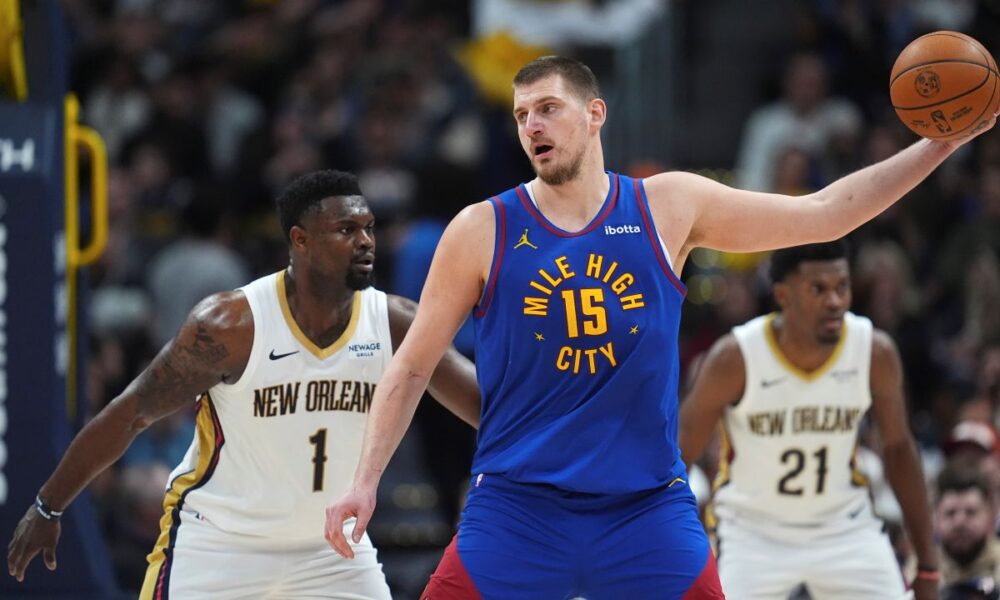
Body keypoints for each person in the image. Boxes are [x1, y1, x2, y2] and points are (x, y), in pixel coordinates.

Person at [325, 55, 997, 598]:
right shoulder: (482, 227)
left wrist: (938, 146)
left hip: (644, 508)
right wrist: (364, 479)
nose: (533, 125)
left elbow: (824, 213)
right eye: (522, 115)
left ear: (595, 115)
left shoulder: (667, 205)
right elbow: (412, 365)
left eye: (548, 108)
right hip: (517, 507)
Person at [7, 170, 481, 599]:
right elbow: (132, 412)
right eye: (346, 230)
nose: (365, 242)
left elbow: (486, 405)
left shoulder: (395, 323)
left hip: (331, 552)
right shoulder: (233, 325)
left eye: (369, 228)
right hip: (218, 545)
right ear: (300, 241)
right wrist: (48, 506)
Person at [678, 240, 937, 599]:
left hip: (843, 528)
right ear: (783, 295)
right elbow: (677, 459)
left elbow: (898, 449)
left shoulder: (873, 351)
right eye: (818, 289)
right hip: (752, 534)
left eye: (841, 287)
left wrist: (928, 562)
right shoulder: (735, 358)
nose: (834, 301)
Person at [935, 468, 1000, 598]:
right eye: (950, 513)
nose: (960, 522)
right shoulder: (918, 574)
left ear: (991, 517)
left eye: (971, 512)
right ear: (936, 520)